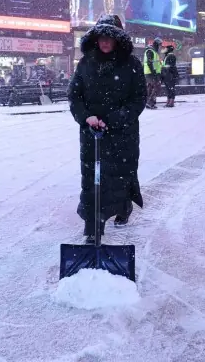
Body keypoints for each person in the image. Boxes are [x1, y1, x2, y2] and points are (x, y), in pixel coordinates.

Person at [68, 15, 147, 242]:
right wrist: (86, 117)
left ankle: (122, 208)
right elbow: (74, 95)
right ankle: (93, 227)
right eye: (101, 37)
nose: (105, 42)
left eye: (110, 37)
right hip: (92, 133)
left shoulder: (132, 65)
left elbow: (138, 98)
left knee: (120, 175)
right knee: (92, 179)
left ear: (118, 40)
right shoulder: (85, 64)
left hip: (122, 133)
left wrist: (114, 119)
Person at [143, 38, 163, 109]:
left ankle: (149, 103)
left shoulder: (154, 51)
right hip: (150, 72)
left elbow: (154, 63)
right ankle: (149, 102)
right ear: (157, 44)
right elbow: (149, 63)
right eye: (160, 44)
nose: (161, 46)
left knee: (150, 87)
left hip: (152, 72)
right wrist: (154, 72)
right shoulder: (150, 51)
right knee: (157, 86)